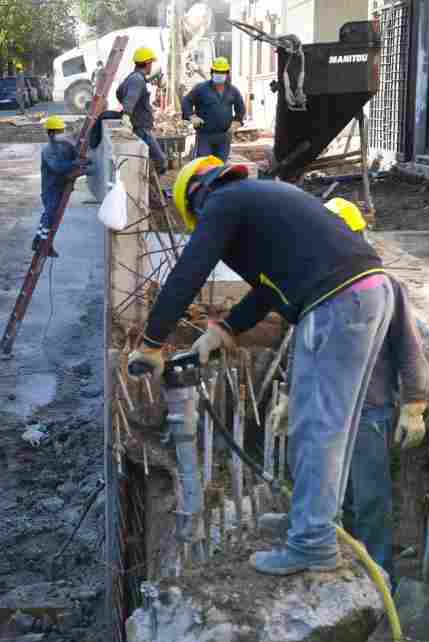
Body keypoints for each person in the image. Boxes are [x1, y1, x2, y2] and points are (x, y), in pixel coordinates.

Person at [127, 156, 393, 576]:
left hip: (338, 304)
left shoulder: (222, 203)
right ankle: (314, 522)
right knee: (326, 424)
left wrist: (153, 343)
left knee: (318, 427)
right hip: (366, 293)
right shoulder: (261, 199)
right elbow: (268, 290)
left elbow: (188, 272)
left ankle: (312, 543)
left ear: (195, 198)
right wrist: (224, 330)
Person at [266, 198, 429, 583]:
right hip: (325, 411)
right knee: (324, 489)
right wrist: (290, 395)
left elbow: (410, 347)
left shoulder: (383, 286)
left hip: (369, 412)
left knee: (370, 498)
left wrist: (415, 403)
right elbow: (304, 345)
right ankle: (337, 562)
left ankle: (378, 576)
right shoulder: (319, 287)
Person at [34, 116, 89, 258]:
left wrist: (82, 161)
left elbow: (73, 154)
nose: (63, 133)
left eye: (62, 131)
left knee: (49, 214)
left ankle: (38, 241)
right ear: (51, 134)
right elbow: (57, 167)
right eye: (60, 131)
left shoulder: (64, 145)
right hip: (50, 188)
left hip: (58, 185)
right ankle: (43, 244)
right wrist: (76, 164)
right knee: (50, 214)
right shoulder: (48, 150)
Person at [181, 57, 245, 161]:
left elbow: (240, 108)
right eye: (216, 72)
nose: (219, 74)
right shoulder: (201, 88)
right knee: (204, 165)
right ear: (212, 72)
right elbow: (186, 101)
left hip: (224, 136)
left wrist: (237, 122)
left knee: (220, 167)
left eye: (222, 72)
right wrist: (192, 116)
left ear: (227, 73)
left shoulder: (233, 91)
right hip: (205, 136)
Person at [115, 47, 167, 173]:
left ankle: (146, 187)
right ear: (148, 63)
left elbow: (120, 92)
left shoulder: (133, 77)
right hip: (141, 129)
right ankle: (147, 189)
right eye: (151, 63)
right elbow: (131, 99)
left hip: (138, 127)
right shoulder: (137, 80)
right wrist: (127, 115)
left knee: (144, 160)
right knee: (161, 160)